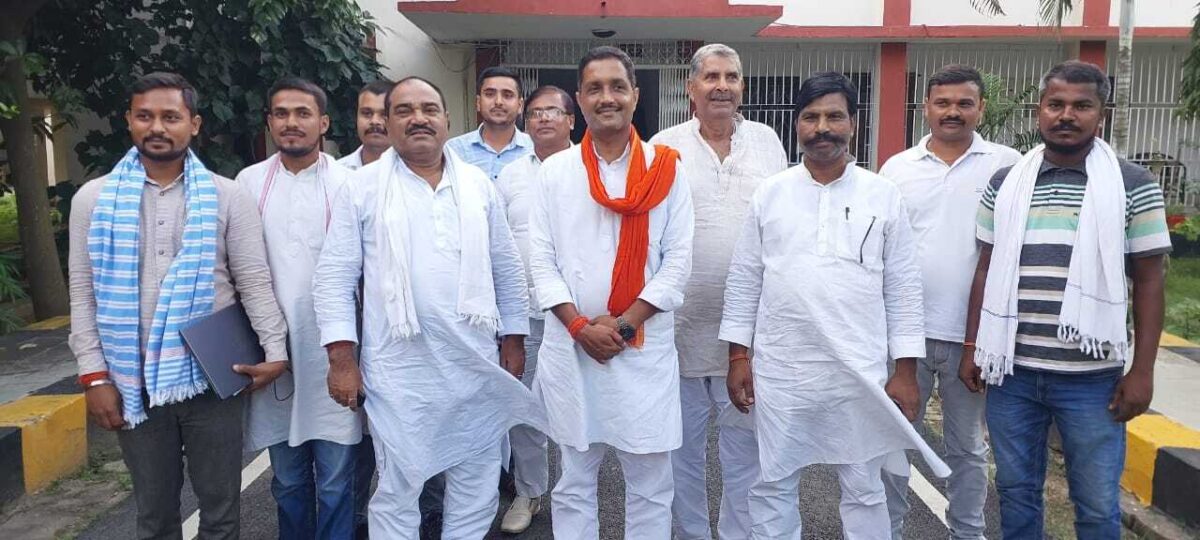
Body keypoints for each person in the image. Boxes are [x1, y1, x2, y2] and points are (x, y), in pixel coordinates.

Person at [719, 71, 950, 540]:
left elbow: (903, 287)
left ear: (854, 124)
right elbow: (744, 280)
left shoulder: (882, 194)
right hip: (784, 370)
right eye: (811, 117)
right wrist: (738, 357)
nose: (822, 127)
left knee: (864, 487)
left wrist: (905, 370)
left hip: (859, 370)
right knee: (773, 482)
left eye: (834, 116)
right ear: (797, 125)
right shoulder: (771, 193)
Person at [312, 76, 545, 539]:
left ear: (447, 120)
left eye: (428, 109)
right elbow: (334, 277)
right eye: (404, 110)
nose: (418, 118)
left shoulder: (478, 185)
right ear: (388, 122)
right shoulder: (362, 187)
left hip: (473, 364)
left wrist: (514, 340)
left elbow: (506, 268)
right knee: (399, 488)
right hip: (401, 373)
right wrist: (341, 359)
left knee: (476, 484)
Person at [68, 72, 289, 539]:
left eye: (171, 117)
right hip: (133, 380)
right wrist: (94, 377)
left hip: (213, 377)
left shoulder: (227, 195)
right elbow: (84, 293)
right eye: (144, 116)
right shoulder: (94, 199)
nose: (157, 127)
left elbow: (252, 279)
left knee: (221, 511)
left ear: (194, 124)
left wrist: (274, 352)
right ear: (128, 121)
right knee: (154, 515)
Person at [961, 61, 1170, 540]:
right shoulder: (1006, 183)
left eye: (1082, 106)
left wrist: (1142, 371)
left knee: (1095, 503)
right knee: (1015, 491)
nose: (1067, 115)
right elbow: (985, 267)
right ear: (1040, 109)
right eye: (1056, 104)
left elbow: (1150, 279)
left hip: (1091, 379)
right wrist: (973, 346)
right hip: (1012, 373)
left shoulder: (1132, 185)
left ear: (1101, 114)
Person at [529, 45, 694, 539]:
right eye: (595, 88)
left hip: (641, 347)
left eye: (617, 86)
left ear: (635, 95)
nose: (607, 97)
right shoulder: (555, 172)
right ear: (579, 99)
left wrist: (623, 325)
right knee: (574, 479)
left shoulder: (667, 169)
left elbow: (677, 262)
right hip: (572, 348)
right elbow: (540, 260)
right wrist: (579, 327)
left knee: (650, 482)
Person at [648, 43, 787, 540]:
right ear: (691, 88)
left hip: (747, 337)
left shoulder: (768, 142)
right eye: (711, 77)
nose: (721, 86)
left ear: (742, 86)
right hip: (679, 332)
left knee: (744, 453)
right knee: (681, 453)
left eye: (731, 77)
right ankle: (691, 533)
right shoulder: (663, 147)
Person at [877, 64, 1020, 540]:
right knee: (894, 442)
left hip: (972, 338)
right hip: (905, 337)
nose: (952, 112)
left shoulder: (1007, 165)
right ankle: (887, 530)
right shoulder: (897, 169)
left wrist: (985, 340)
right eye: (942, 103)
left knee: (968, 448)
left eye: (964, 103)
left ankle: (967, 532)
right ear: (926, 108)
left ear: (981, 108)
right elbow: (883, 251)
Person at [237, 77, 358, 540]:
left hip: (334, 352)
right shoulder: (247, 184)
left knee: (336, 479)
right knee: (287, 481)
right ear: (269, 122)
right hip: (272, 352)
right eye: (281, 114)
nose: (291, 122)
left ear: (323, 123)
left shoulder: (349, 184)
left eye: (303, 113)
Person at [492, 84, 575, 534]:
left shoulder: (589, 169)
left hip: (576, 317)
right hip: (524, 316)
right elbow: (500, 246)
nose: (544, 118)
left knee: (579, 407)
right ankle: (529, 491)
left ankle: (577, 491)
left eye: (553, 111)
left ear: (571, 120)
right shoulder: (510, 175)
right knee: (524, 407)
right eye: (537, 111)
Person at [446, 66, 533, 180]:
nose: (498, 102)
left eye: (507, 95)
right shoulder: (453, 150)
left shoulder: (535, 150)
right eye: (490, 94)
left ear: (520, 105)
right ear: (478, 102)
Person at [339, 79, 393, 171]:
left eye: (384, 114)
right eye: (367, 113)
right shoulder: (336, 172)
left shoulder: (415, 173)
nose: (374, 121)